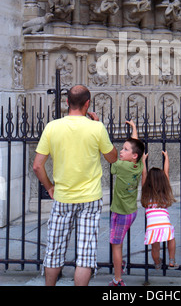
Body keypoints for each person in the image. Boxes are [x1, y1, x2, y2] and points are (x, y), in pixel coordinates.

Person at [32, 85, 117, 286]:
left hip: (62, 197)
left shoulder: (52, 127)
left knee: (54, 251)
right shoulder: (96, 128)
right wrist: (98, 125)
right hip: (90, 198)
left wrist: (50, 187)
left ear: (67, 103)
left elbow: (37, 165)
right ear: (87, 103)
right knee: (86, 255)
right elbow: (113, 157)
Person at [109, 120, 145, 286]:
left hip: (121, 213)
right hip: (131, 211)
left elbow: (109, 157)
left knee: (116, 245)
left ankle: (117, 279)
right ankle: (119, 265)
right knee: (119, 241)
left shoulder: (122, 166)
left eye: (124, 149)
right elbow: (135, 146)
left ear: (134, 155)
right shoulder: (138, 165)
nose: (121, 151)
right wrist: (134, 129)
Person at [141, 150, 178, 270]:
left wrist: (143, 161)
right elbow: (166, 172)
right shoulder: (163, 192)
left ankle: (157, 263)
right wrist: (166, 158)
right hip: (164, 223)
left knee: (155, 247)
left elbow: (144, 174)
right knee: (171, 240)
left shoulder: (146, 193)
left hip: (152, 226)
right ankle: (171, 261)